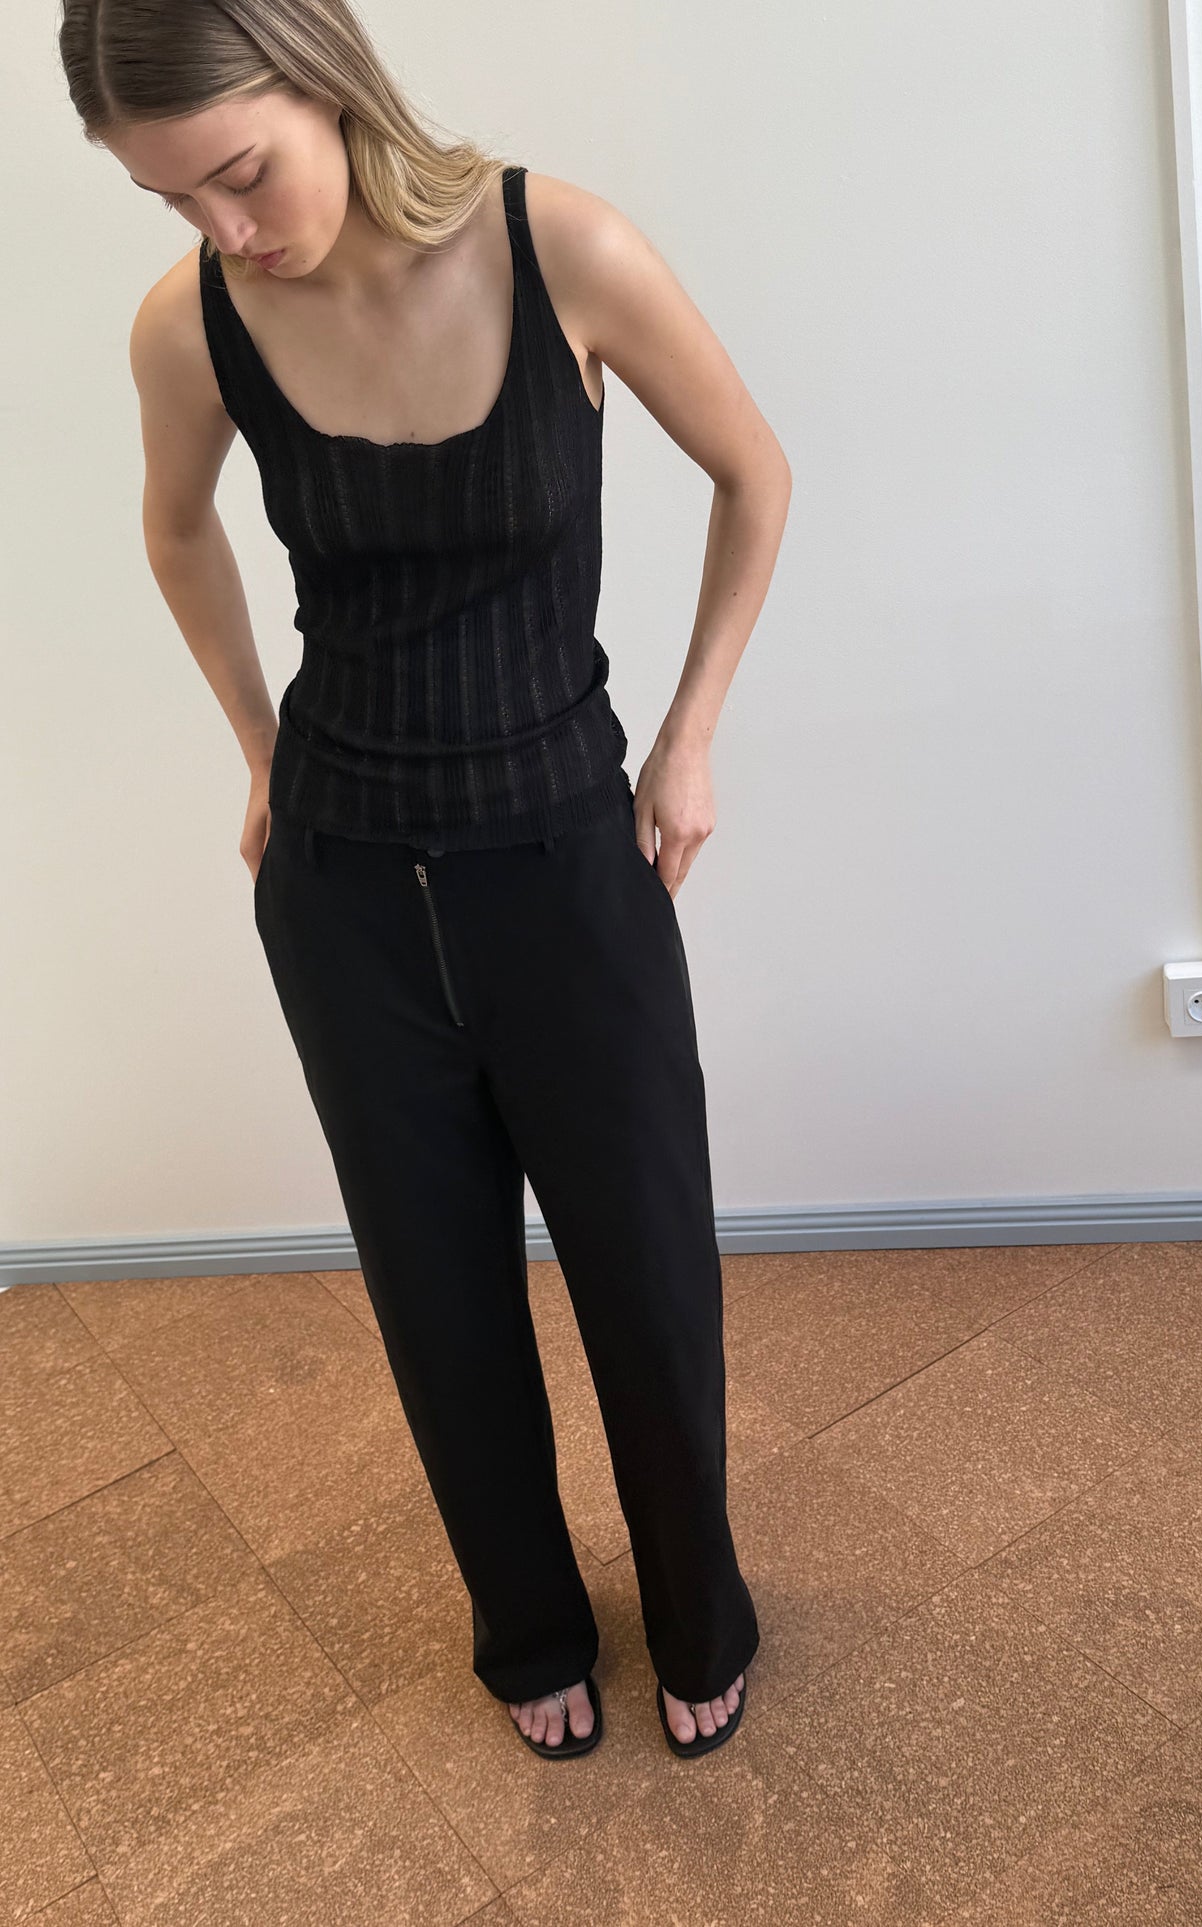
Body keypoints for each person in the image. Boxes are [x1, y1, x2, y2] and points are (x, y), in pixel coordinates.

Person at [60, 0, 791, 1762]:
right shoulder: (193, 329)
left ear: (317, 80)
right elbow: (173, 529)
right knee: (435, 1283)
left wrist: (686, 739)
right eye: (179, 206)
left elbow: (753, 474)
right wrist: (255, 747)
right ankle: (524, 1620)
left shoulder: (565, 251)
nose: (229, 231)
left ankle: (700, 1605)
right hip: (343, 884)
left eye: (238, 174)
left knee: (644, 1271)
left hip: (566, 856)